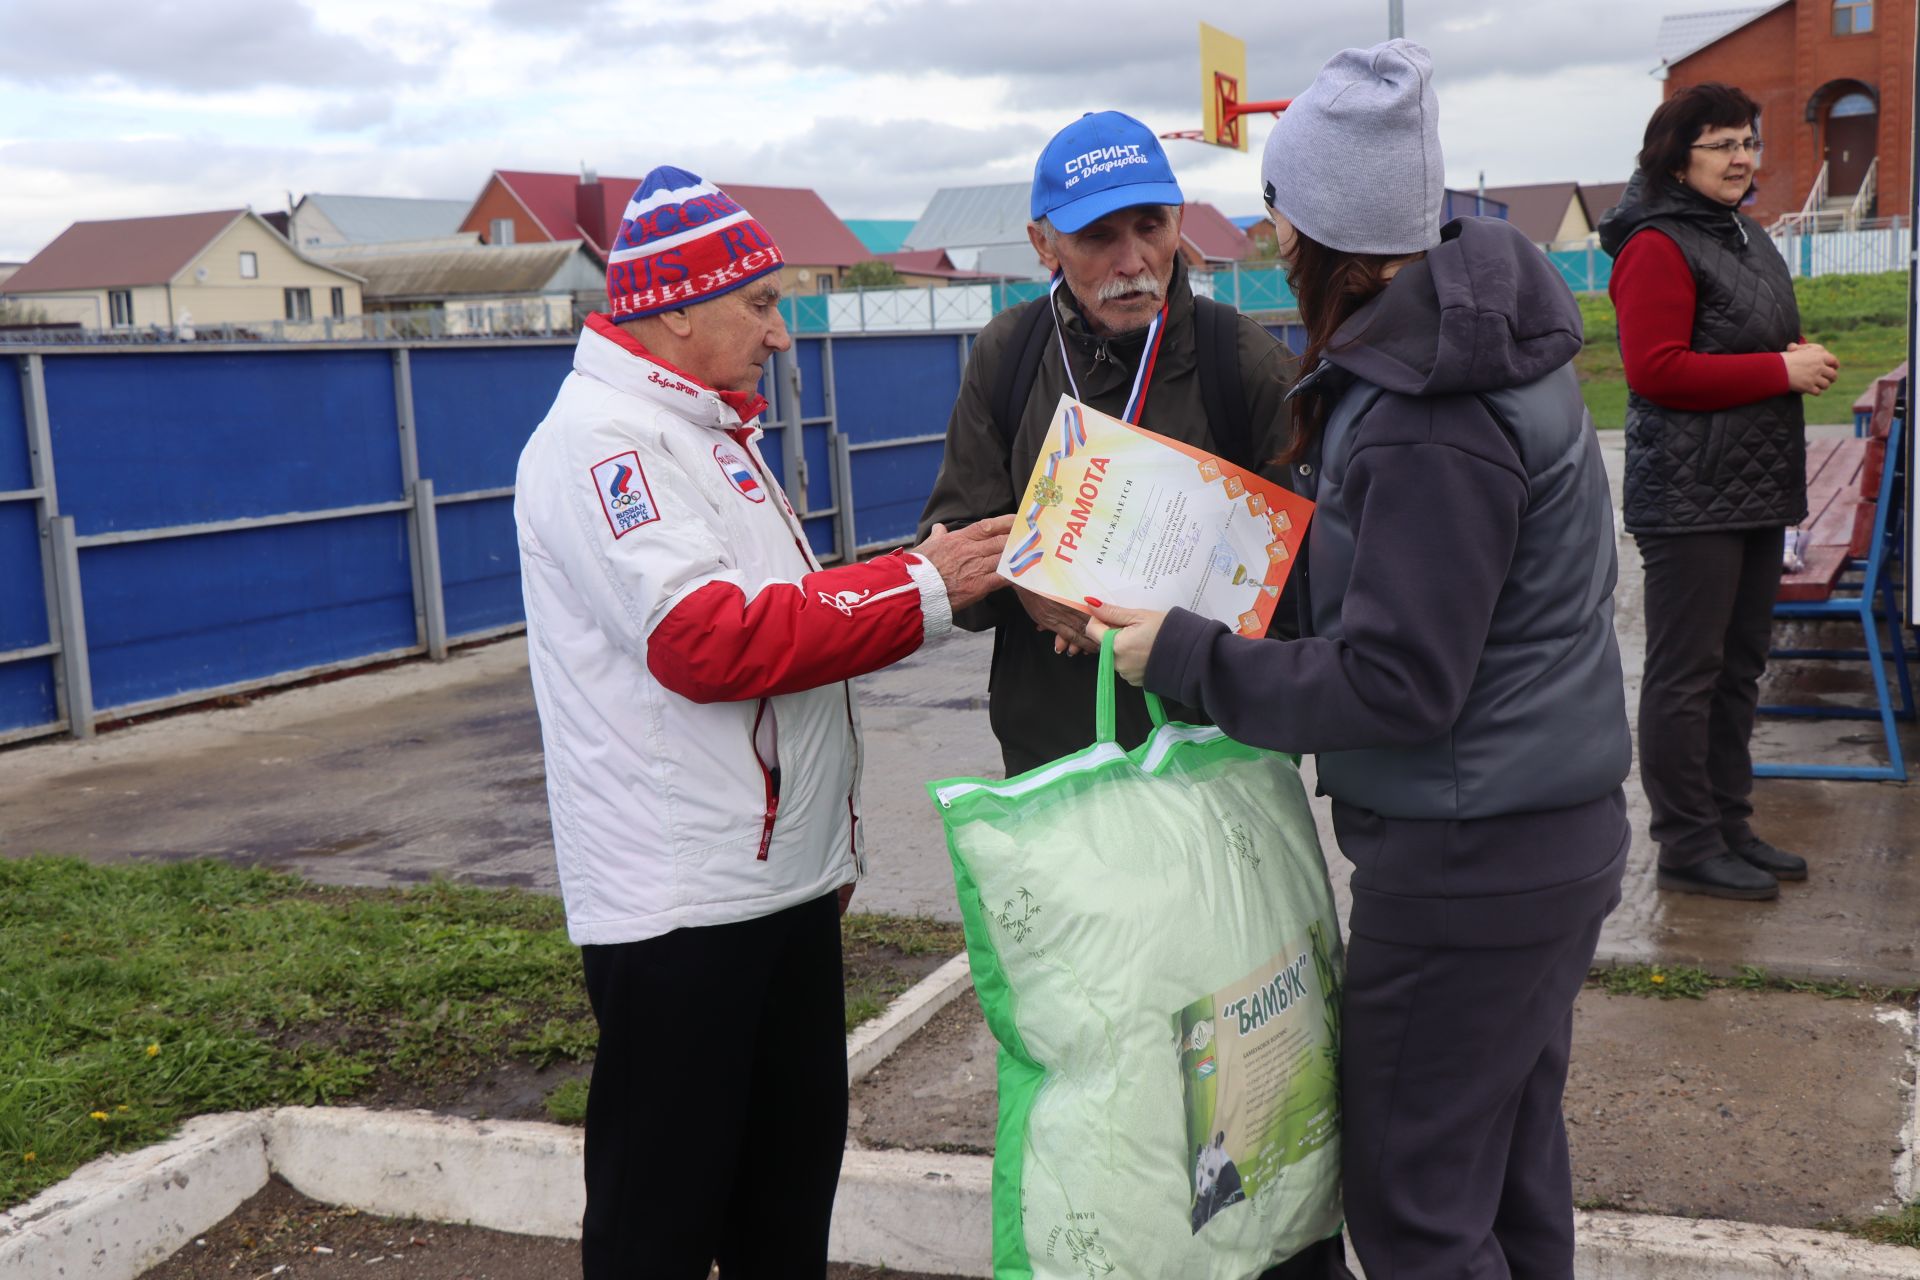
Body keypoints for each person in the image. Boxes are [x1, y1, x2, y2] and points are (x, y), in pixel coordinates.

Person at [1086, 40, 1631, 1279]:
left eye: (1280, 208)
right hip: (1537, 836)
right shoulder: (1484, 341)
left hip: (1468, 864)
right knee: (1503, 1173)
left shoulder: (1425, 412)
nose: (1271, 235)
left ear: (1321, 226)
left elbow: (1400, 682)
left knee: (1417, 1211)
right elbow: (1427, 601)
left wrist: (1185, 651)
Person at [513, 166, 1011, 1279]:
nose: (782, 335)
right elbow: (708, 639)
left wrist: (827, 844)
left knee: (782, 1206)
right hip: (682, 911)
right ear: (675, 308)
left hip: (773, 890)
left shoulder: (702, 432)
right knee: (662, 1219)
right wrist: (920, 585)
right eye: (763, 303)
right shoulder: (609, 447)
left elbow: (784, 626)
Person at [918, 109, 1301, 776]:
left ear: (1179, 221)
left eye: (1150, 227)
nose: (1133, 262)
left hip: (1213, 757)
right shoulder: (1009, 355)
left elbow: (1313, 586)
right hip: (1059, 760)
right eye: (1098, 236)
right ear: (1044, 245)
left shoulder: (1243, 362)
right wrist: (1024, 586)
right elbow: (955, 548)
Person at [1597, 84, 1837, 901]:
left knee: (1740, 669)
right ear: (1676, 154)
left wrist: (1791, 351)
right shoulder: (1657, 244)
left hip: (1754, 489)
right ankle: (1687, 844)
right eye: (1723, 144)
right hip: (1691, 493)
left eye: (1749, 142)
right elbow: (1655, 369)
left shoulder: (1741, 234)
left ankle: (1732, 824)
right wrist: (1778, 369)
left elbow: (1740, 335)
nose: (1742, 159)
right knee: (1687, 674)